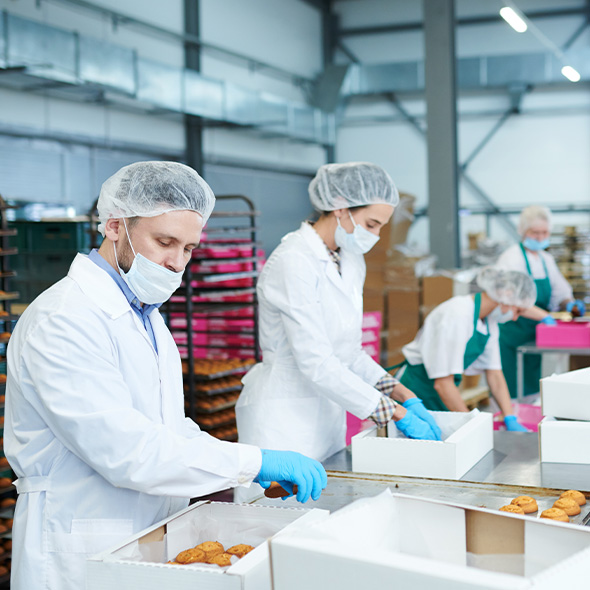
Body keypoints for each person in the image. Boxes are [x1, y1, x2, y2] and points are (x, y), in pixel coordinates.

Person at [4, 161, 327, 590]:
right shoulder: (64, 320)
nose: (176, 263)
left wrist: (248, 463)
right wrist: (251, 463)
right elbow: (127, 450)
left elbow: (166, 426)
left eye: (189, 248)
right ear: (115, 226)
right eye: (164, 241)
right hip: (77, 541)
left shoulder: (143, 314)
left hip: (142, 531)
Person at [236, 162, 441, 465]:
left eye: (381, 226)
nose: (376, 234)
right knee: (279, 508)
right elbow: (316, 361)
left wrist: (402, 392)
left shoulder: (350, 259)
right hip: (284, 419)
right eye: (371, 224)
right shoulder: (293, 260)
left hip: (326, 416)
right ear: (340, 208)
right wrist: (394, 413)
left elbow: (350, 352)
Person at [396, 267, 535, 430]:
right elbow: (442, 384)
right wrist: (471, 426)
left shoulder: (488, 321)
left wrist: (510, 417)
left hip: (441, 393)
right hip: (416, 391)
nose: (515, 317)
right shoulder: (457, 315)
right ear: (507, 295)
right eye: (517, 310)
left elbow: (495, 373)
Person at [496, 205, 585, 397]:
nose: (539, 237)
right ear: (523, 231)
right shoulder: (511, 258)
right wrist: (544, 316)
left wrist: (569, 303)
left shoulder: (545, 259)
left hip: (534, 336)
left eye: (544, 232)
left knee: (532, 387)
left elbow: (560, 292)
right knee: (510, 389)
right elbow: (513, 299)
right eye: (535, 232)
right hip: (512, 334)